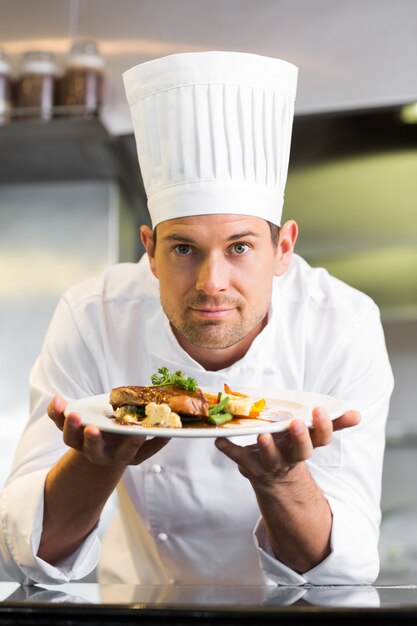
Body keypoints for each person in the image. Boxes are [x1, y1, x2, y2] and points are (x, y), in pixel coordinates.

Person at [0, 51, 393, 586]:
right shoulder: (93, 316)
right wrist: (95, 464)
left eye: (239, 247)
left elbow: (344, 571)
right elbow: (25, 555)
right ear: (150, 251)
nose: (212, 282)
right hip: (143, 606)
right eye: (184, 248)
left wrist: (281, 481)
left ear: (283, 249)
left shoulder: (342, 324)